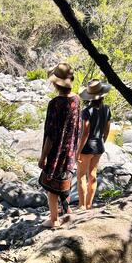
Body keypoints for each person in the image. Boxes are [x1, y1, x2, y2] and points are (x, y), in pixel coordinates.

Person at [39, 63, 81, 229]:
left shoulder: (55, 103)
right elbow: (77, 127)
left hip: (56, 152)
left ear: (56, 84)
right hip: (70, 150)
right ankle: (67, 212)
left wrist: (43, 156)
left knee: (52, 188)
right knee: (65, 182)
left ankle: (54, 220)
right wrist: (76, 151)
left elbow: (51, 134)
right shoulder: (77, 99)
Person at [76, 79, 112, 210]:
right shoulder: (107, 109)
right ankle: (89, 204)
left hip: (86, 147)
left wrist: (78, 151)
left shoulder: (86, 111)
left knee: (81, 176)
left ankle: (82, 206)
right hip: (99, 145)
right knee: (92, 175)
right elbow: (107, 129)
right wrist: (102, 141)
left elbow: (85, 133)